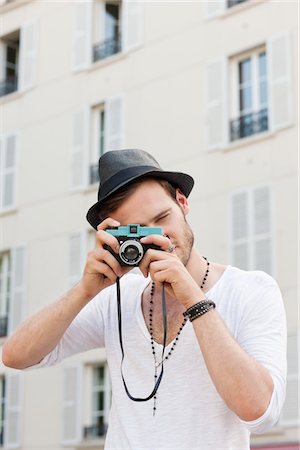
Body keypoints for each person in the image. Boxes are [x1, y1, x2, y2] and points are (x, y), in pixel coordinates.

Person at [2, 149, 287, 450]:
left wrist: (192, 296)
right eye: (138, 231)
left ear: (182, 202)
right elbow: (15, 356)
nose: (158, 236)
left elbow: (260, 411)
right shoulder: (116, 298)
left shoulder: (251, 289)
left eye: (162, 218)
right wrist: (85, 290)